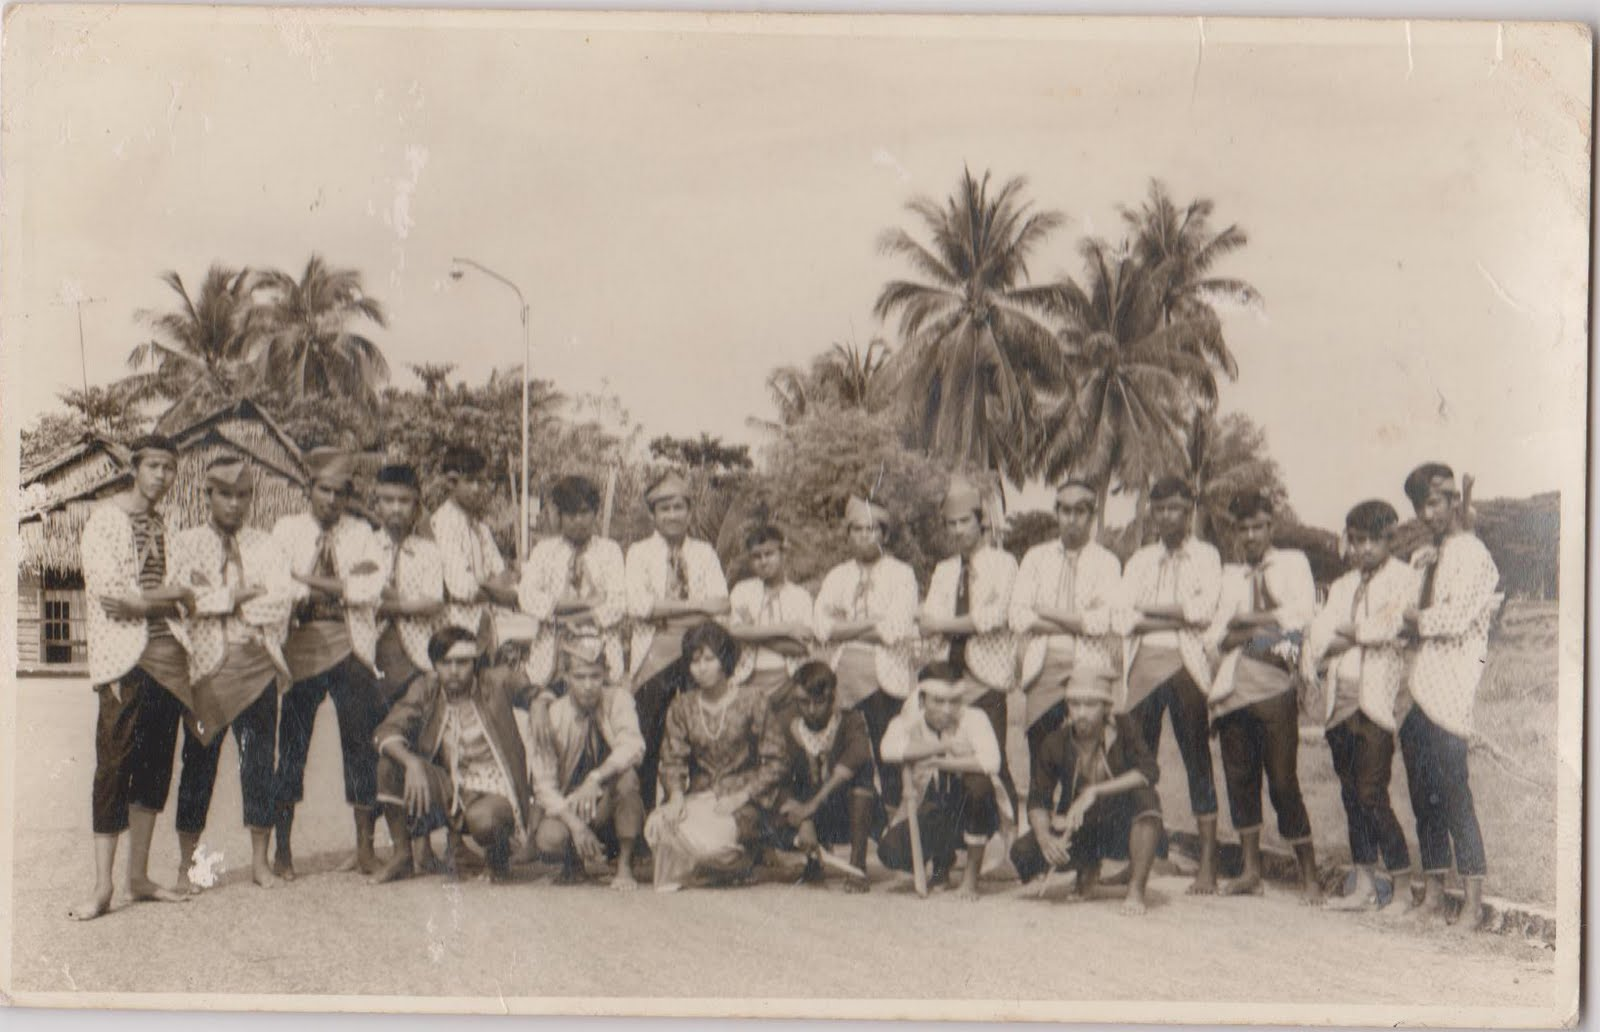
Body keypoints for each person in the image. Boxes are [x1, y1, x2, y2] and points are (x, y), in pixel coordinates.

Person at [71, 434, 196, 919]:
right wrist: (171, 595)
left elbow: (188, 597)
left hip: (169, 654)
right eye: (154, 466)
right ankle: (103, 887)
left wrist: (163, 597)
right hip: (123, 658)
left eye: (170, 468)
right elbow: (112, 597)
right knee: (113, 766)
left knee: (156, 765)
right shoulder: (104, 520)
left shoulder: (171, 525)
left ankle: (138, 876)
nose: (162, 476)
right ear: (135, 466)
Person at [166, 457, 295, 893]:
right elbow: (182, 601)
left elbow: (281, 601)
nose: (234, 504)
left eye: (242, 495)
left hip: (256, 665)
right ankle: (187, 864)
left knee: (259, 764)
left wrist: (220, 601)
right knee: (198, 764)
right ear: (207, 495)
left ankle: (260, 862)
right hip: (205, 671)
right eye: (224, 494)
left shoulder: (267, 545)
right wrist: (235, 596)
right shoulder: (184, 544)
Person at [270, 447, 387, 879]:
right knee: (292, 748)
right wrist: (331, 587)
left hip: (349, 645)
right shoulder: (286, 530)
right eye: (324, 490)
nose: (331, 500)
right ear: (308, 489)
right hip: (301, 647)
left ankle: (365, 848)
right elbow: (280, 586)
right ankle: (282, 849)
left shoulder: (361, 534)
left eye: (340, 493)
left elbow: (367, 589)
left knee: (361, 744)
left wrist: (308, 581)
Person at [1301, 500, 1418, 913]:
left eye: (1373, 540)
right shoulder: (1343, 584)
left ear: (1391, 538)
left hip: (1375, 703)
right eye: (1357, 541)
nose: (1364, 549)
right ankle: (1363, 881)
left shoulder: (1405, 579)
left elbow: (1393, 627)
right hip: (1340, 700)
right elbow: (1319, 638)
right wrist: (1356, 634)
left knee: (1372, 793)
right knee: (1351, 795)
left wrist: (1351, 632)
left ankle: (1402, 886)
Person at [1398, 462, 1501, 929]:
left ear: (1456, 500)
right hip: (1422, 683)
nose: (1434, 509)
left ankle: (1474, 902)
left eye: (1441, 498)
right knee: (1425, 796)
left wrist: (1414, 619)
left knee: (1454, 793)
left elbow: (1455, 618)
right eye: (1427, 503)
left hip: (1455, 681)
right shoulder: (1427, 556)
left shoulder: (1473, 554)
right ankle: (1435, 892)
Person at [1204, 489, 1320, 901]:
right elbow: (1216, 637)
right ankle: (1250, 870)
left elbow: (1301, 619)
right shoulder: (1230, 575)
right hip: (1236, 686)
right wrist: (1261, 630)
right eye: (1243, 529)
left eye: (1258, 527)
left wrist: (1247, 624)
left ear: (1271, 526)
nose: (1251, 536)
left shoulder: (1293, 563)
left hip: (1276, 684)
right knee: (1240, 777)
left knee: (1283, 781)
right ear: (1235, 533)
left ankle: (1309, 874)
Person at [1113, 474, 1222, 895]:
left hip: (1186, 666)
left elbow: (1201, 612)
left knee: (1198, 763)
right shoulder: (1140, 560)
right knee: (1138, 764)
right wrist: (1167, 613)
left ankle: (1208, 867)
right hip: (1142, 667)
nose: (1167, 517)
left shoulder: (1207, 556)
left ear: (1189, 509)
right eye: (1159, 510)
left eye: (1175, 508)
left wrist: (1147, 611)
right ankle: (1137, 859)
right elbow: (1122, 615)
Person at [371, 627, 532, 884]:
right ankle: (402, 857)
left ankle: (498, 856)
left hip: (495, 788)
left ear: (474, 662)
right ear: (435, 665)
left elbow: (532, 692)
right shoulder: (427, 688)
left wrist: (542, 704)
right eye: (446, 663)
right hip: (452, 786)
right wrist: (412, 763)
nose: (454, 671)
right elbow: (387, 729)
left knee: (485, 820)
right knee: (389, 765)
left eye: (462, 662)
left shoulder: (495, 681)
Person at [643, 621, 786, 891]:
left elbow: (777, 761)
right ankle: (713, 865)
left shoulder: (752, 699)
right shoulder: (682, 706)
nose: (702, 668)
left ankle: (742, 858)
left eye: (710, 659)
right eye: (695, 661)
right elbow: (673, 760)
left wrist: (741, 796)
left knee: (709, 846)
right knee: (658, 825)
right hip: (701, 798)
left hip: (744, 801)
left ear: (726, 661)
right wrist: (674, 797)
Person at [1009, 669, 1164, 916]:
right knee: (1023, 853)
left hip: (1121, 824)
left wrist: (1094, 791)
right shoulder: (1055, 742)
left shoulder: (1125, 727)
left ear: (1106, 707)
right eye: (1074, 704)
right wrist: (1044, 837)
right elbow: (1038, 798)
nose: (1081, 712)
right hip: (1082, 826)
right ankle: (1088, 866)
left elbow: (1149, 771)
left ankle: (1135, 890)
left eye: (1090, 704)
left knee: (1145, 798)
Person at [625, 471, 730, 812]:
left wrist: (667, 610)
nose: (672, 515)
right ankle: (640, 830)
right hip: (652, 654)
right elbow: (640, 607)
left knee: (700, 738)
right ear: (653, 515)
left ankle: (699, 820)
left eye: (679, 507)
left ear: (689, 511)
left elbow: (720, 605)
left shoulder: (704, 554)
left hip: (697, 655)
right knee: (649, 741)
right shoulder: (639, 554)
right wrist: (697, 606)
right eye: (664, 508)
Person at [917, 475, 1019, 809]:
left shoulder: (1003, 564)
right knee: (948, 755)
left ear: (982, 521)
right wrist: (954, 624)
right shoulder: (945, 570)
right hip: (949, 677)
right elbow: (928, 621)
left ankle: (1008, 834)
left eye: (965, 522)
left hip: (986, 676)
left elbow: (994, 618)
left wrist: (945, 624)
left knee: (992, 758)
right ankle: (956, 839)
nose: (959, 530)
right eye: (951, 524)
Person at [1010, 479, 1122, 775]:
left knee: (1087, 760)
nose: (1072, 519)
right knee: (1041, 757)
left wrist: (1044, 611)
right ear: (1056, 512)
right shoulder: (1036, 558)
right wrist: (1077, 621)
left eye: (1080, 511)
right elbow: (1018, 616)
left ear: (1092, 516)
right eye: (1065, 510)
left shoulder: (1107, 563)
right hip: (1043, 666)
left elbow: (1101, 623)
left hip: (1089, 667)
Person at [814, 494, 919, 808]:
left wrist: (845, 625)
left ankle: (892, 827)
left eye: (872, 529)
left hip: (886, 677)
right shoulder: (838, 576)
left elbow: (896, 630)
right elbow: (821, 627)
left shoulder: (902, 574)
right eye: (857, 529)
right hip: (843, 676)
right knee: (845, 755)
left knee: (888, 755)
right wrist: (872, 621)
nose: (864, 536)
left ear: (884, 536)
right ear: (848, 535)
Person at [528, 633, 646, 890]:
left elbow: (633, 746)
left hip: (607, 798)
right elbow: (544, 786)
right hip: (571, 804)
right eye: (580, 677)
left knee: (628, 778)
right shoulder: (552, 716)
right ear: (566, 678)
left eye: (595, 676)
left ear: (605, 674)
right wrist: (576, 826)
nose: (589, 685)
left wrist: (596, 778)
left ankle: (625, 866)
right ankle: (574, 863)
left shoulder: (619, 699)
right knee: (549, 838)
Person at [877, 664, 1002, 901]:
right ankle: (941, 866)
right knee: (890, 850)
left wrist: (938, 763)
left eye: (954, 701)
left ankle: (970, 879)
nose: (947, 709)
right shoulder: (907, 721)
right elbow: (888, 750)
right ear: (922, 701)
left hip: (973, 809)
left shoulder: (975, 718)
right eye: (938, 701)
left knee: (978, 785)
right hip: (933, 808)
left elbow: (990, 762)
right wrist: (943, 747)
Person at [769, 661, 879, 893]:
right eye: (803, 702)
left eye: (818, 702)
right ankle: (813, 860)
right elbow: (780, 777)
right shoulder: (786, 725)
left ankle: (857, 865)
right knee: (772, 801)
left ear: (832, 698)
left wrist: (813, 805)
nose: (810, 710)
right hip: (807, 815)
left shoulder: (851, 720)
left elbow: (856, 759)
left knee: (862, 777)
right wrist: (804, 819)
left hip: (846, 813)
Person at [516, 474, 627, 695]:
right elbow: (527, 598)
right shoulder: (544, 551)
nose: (578, 520)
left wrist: (558, 612)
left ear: (595, 513)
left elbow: (618, 603)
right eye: (571, 513)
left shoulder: (609, 551)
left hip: (601, 650)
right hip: (550, 655)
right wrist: (589, 603)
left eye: (585, 512)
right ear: (559, 516)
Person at [369, 463, 445, 706]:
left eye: (404, 501)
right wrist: (411, 601)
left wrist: (386, 602)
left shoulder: (429, 552)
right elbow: (360, 598)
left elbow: (433, 603)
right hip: (367, 655)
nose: (396, 508)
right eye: (388, 500)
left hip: (417, 658)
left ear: (416, 506)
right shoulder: (362, 546)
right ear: (376, 503)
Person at [431, 444, 518, 646]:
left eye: (481, 481)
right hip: (455, 628)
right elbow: (462, 590)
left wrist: (483, 583)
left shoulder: (480, 529)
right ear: (451, 482)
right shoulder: (443, 524)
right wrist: (494, 587)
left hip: (484, 624)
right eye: (470, 481)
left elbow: (505, 577)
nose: (478, 489)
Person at [727, 524, 814, 718]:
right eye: (756, 556)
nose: (763, 561)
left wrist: (752, 632)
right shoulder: (743, 591)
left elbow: (800, 647)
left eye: (769, 554)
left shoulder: (800, 596)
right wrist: (786, 629)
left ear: (783, 554)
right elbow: (734, 631)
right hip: (748, 677)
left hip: (788, 678)